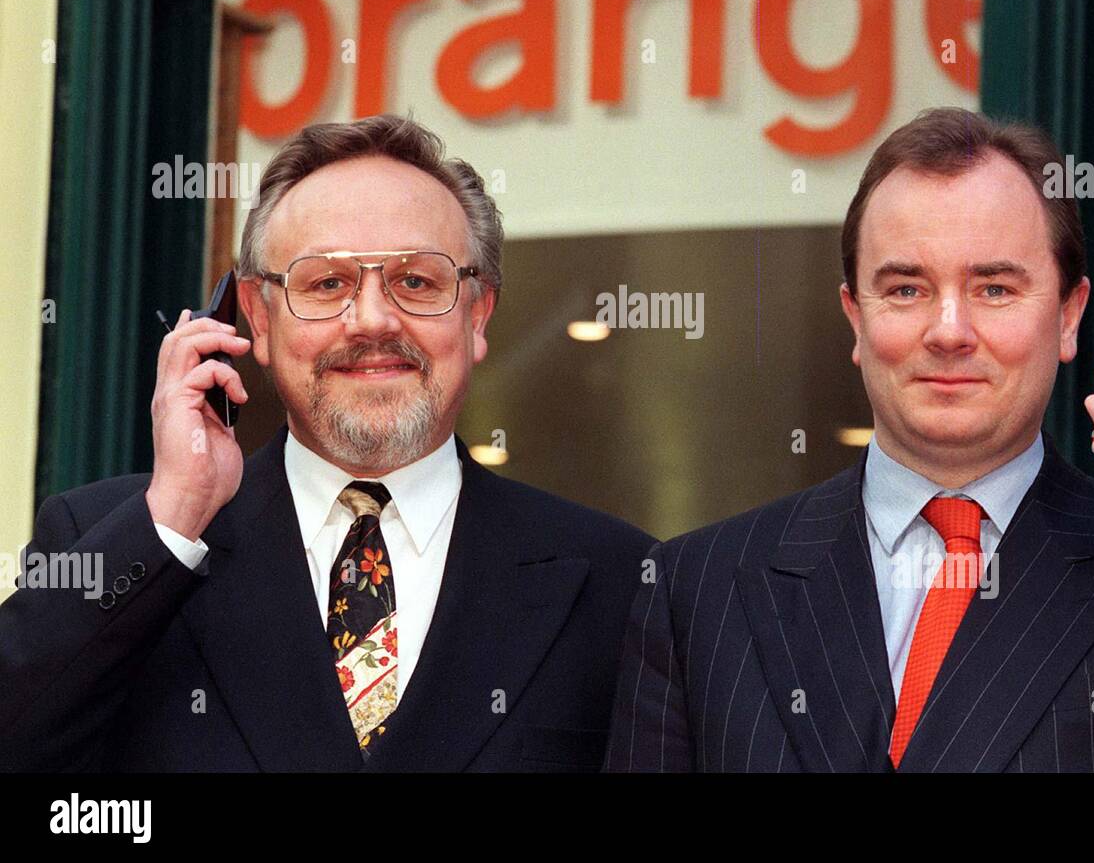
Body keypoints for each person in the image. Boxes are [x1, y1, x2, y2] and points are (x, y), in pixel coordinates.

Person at [604, 107, 1094, 772]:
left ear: (1068, 316)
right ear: (855, 317)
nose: (948, 329)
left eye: (994, 289)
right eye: (906, 289)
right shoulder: (698, 591)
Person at [1, 114, 651, 772]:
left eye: (417, 281)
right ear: (256, 316)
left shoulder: (621, 581)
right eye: (327, 283)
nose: (372, 319)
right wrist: (176, 510)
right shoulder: (116, 539)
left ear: (476, 314)